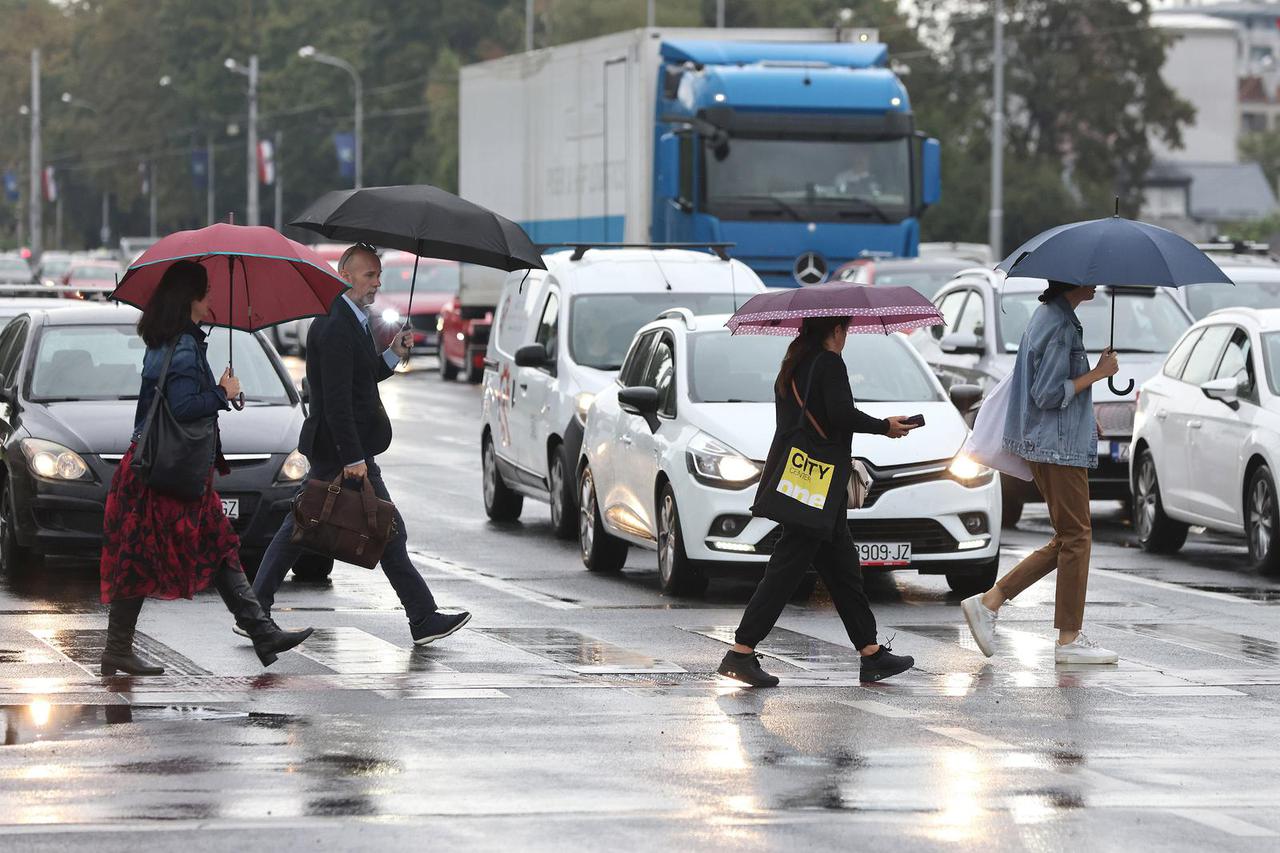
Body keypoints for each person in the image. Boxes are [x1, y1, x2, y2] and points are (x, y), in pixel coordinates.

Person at [246, 243, 471, 646]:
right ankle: (422, 616)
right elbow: (335, 400)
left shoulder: (353, 320)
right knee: (360, 527)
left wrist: (391, 355)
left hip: (345, 449)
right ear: (346, 275)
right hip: (341, 451)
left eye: (380, 275)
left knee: (315, 526)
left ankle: (255, 610)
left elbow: (359, 380)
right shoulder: (334, 325)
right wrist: (353, 458)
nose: (378, 283)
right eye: (371, 275)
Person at [100, 260, 313, 675]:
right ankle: (117, 648)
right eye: (207, 292)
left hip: (172, 471)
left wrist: (217, 390)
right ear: (192, 299)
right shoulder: (181, 346)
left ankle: (261, 632)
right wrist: (219, 392)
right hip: (162, 474)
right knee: (143, 558)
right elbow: (182, 407)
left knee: (216, 548)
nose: (213, 298)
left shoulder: (178, 341)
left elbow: (183, 399)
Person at [717, 316, 921, 687]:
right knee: (785, 568)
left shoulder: (794, 363)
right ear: (836, 331)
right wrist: (884, 426)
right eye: (847, 330)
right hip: (818, 481)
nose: (848, 337)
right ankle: (740, 653)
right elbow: (840, 415)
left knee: (844, 571)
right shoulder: (828, 363)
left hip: (805, 477)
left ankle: (871, 653)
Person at [960, 281, 1121, 664]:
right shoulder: (1059, 325)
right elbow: (1047, 393)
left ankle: (992, 603)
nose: (1096, 282)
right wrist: (1099, 372)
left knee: (1069, 536)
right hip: (1055, 447)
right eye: (1089, 276)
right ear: (1074, 281)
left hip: (1054, 441)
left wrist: (1085, 417)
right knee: (1077, 537)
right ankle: (1065, 639)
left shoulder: (1052, 317)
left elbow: (1050, 390)